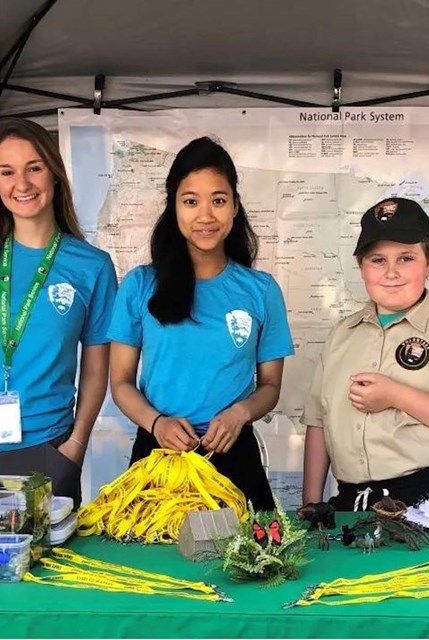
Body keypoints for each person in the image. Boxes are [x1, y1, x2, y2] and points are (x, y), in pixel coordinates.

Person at [108, 137, 294, 511]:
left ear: (235, 206)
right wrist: (157, 423)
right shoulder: (140, 285)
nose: (206, 215)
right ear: (173, 207)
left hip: (232, 454)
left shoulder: (260, 290)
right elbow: (121, 382)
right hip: (159, 454)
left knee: (248, 564)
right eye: (191, 201)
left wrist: (239, 412)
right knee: (149, 568)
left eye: (219, 200)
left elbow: (271, 386)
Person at [302, 197, 429, 510]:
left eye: (406, 258)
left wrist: (397, 396)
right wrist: (311, 504)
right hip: (353, 501)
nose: (391, 272)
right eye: (377, 260)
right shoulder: (342, 336)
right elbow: (318, 422)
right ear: (361, 266)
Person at [0, 118, 117, 507]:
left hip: (50, 449)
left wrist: (76, 446)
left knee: (50, 567)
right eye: (7, 172)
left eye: (34, 167)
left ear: (54, 174)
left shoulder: (92, 266)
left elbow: (97, 368)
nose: (22, 184)